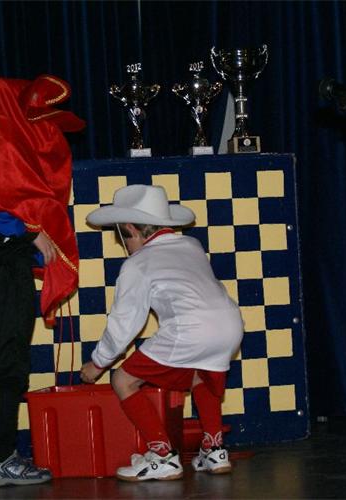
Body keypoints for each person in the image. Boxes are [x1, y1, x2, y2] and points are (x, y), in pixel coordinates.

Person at [0, 74, 85, 486]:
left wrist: (29, 238)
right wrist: (32, 232)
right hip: (1, 280)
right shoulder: (5, 144)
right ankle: (1, 457)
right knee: (6, 364)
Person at [80, 185, 244, 482]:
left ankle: (163, 456)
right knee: (201, 375)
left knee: (123, 380)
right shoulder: (192, 244)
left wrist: (98, 363)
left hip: (190, 330)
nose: (124, 245)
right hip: (230, 324)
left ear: (131, 228)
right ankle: (214, 450)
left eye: (122, 237)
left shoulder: (137, 263)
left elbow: (124, 324)